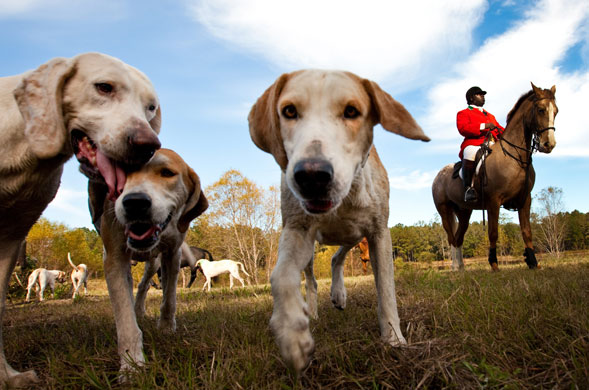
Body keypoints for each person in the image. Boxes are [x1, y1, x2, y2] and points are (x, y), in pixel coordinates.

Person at [456, 86, 504, 202]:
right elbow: (463, 128)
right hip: (474, 144)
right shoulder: (463, 113)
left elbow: (500, 129)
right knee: (470, 153)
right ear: (471, 98)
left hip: (492, 143)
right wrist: (484, 126)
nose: (483, 97)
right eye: (479, 94)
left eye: (483, 95)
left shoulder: (490, 115)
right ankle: (469, 188)